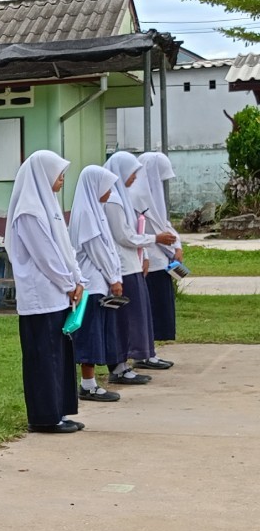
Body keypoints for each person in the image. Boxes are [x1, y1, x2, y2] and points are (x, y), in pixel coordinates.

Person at [5, 150, 86, 434]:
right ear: (43, 175)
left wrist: (78, 280)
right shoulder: (29, 211)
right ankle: (45, 418)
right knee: (44, 357)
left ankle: (58, 412)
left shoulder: (49, 206)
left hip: (58, 295)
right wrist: (68, 283)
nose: (62, 179)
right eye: (59, 174)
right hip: (40, 297)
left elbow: (65, 248)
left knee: (58, 356)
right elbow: (46, 257)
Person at [101, 152, 178, 385]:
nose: (135, 178)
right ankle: (120, 367)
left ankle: (128, 362)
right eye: (132, 173)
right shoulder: (113, 200)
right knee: (125, 318)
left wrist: (144, 253)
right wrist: (154, 240)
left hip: (132, 263)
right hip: (122, 266)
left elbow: (135, 230)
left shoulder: (122, 197)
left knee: (135, 316)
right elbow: (123, 236)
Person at [68, 165, 124, 404]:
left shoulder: (94, 210)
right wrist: (113, 278)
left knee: (97, 334)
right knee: (90, 336)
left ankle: (89, 383)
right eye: (107, 187)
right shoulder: (87, 214)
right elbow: (97, 250)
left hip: (99, 282)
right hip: (92, 283)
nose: (109, 193)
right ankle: (88, 385)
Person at [135, 151, 182, 361]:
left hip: (162, 261)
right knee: (149, 310)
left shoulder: (154, 196)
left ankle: (150, 352)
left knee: (159, 309)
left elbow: (164, 223)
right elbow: (135, 231)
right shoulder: (135, 197)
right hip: (148, 263)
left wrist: (177, 245)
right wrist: (157, 240)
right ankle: (145, 354)